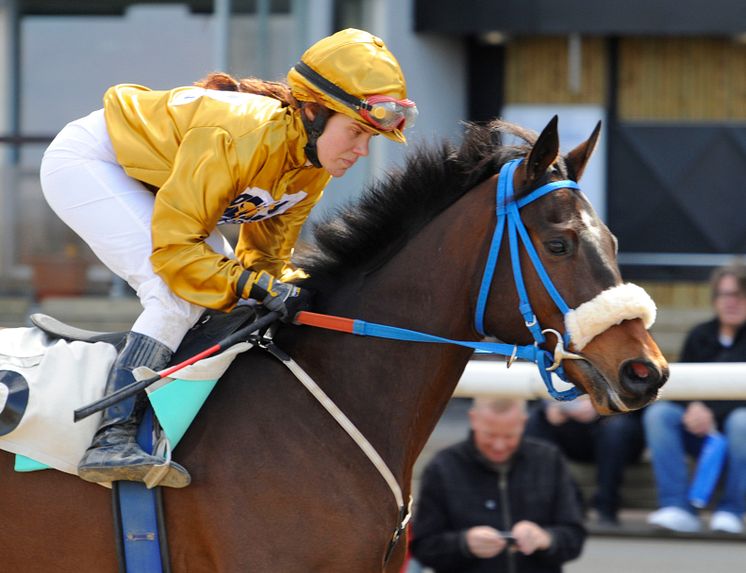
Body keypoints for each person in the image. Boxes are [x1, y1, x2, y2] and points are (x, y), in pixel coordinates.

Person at [38, 28, 417, 488]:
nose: (361, 151)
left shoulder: (311, 166)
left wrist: (274, 287)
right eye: (356, 131)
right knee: (173, 294)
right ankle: (110, 436)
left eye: (370, 139)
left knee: (229, 297)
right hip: (91, 162)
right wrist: (250, 285)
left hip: (151, 182)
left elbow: (265, 258)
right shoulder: (240, 133)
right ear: (314, 112)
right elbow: (177, 252)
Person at [410, 397, 586, 573]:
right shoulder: (443, 466)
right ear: (473, 419)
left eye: (509, 436)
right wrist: (464, 543)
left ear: (523, 423)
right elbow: (422, 546)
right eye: (490, 435)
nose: (499, 446)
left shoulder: (549, 460)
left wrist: (545, 539)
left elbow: (575, 537)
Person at [644, 263, 746, 533]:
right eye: (725, 294)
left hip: (737, 432)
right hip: (700, 433)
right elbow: (682, 386)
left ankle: (732, 509)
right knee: (660, 414)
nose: (732, 302)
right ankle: (677, 506)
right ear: (715, 298)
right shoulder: (700, 334)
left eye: (740, 295)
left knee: (741, 421)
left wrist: (712, 414)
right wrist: (693, 410)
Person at [525, 395, 646, 526]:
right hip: (569, 425)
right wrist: (550, 407)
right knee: (535, 420)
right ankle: (572, 500)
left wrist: (605, 407)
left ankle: (607, 506)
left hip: (618, 423)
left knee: (617, 428)